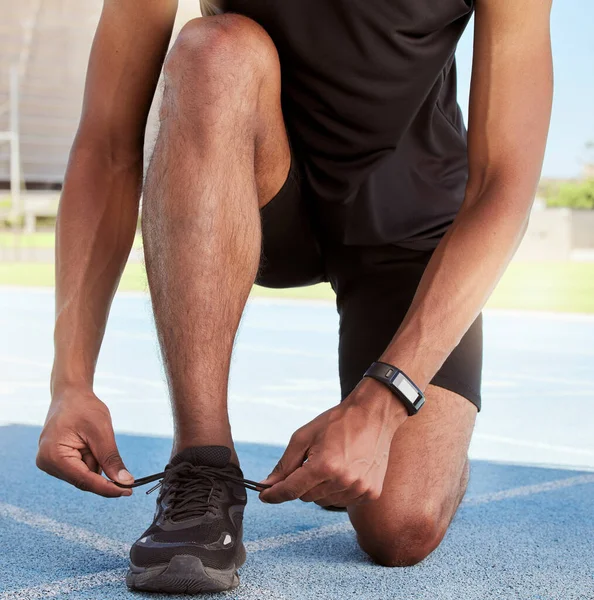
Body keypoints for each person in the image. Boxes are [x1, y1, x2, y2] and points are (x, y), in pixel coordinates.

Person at [36, 0, 553, 593]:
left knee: (401, 528)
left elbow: (504, 181)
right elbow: (106, 143)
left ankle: (434, 454)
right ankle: (202, 466)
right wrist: (69, 380)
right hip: (261, 188)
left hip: (408, 229)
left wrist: (382, 403)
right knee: (214, 50)